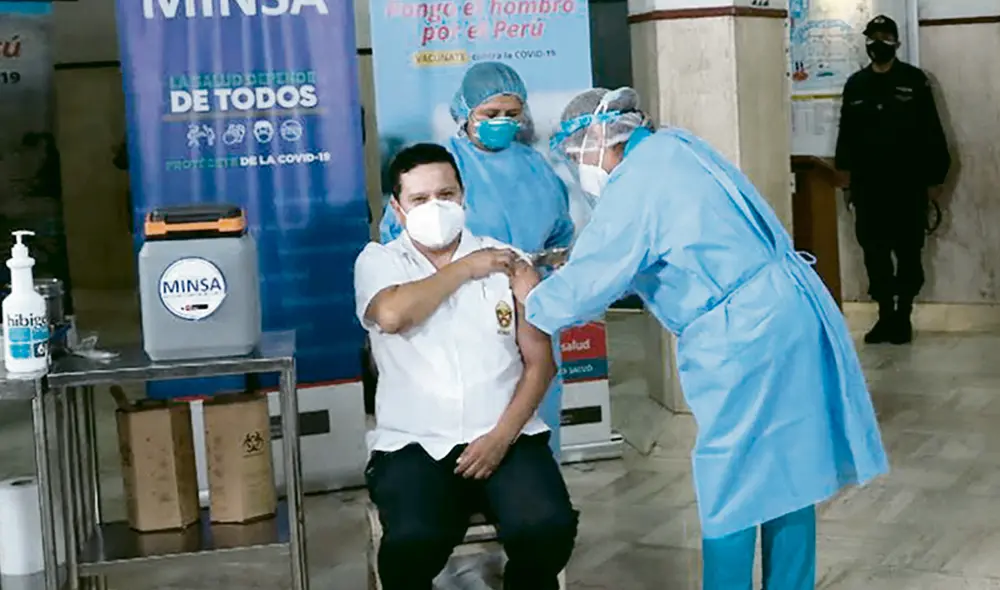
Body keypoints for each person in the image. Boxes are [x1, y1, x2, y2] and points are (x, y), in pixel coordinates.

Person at [509, 88, 888, 590]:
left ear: (600, 138)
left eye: (578, 153)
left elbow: (592, 279)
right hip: (784, 306)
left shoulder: (636, 183)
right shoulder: (675, 147)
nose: (580, 166)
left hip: (742, 332)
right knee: (789, 464)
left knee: (729, 476)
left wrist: (531, 298)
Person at [355, 143, 577, 590]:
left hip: (507, 436)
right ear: (397, 208)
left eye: (446, 194)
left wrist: (499, 438)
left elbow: (540, 363)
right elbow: (393, 315)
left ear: (463, 196)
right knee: (415, 540)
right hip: (414, 444)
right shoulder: (381, 261)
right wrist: (466, 269)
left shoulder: (508, 261)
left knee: (547, 527)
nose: (435, 208)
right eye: (420, 199)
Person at [378, 61, 576, 451]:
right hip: (461, 305)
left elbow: (561, 235)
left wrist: (542, 279)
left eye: (512, 114)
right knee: (470, 408)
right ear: (465, 112)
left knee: (534, 407)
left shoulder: (535, 166)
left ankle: (531, 473)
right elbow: (399, 236)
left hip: (527, 305)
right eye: (490, 114)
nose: (502, 122)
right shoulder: (443, 167)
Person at [835, 14, 951, 345]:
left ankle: (903, 315)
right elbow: (846, 136)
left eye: (884, 38)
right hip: (869, 187)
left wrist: (935, 178)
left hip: (907, 185)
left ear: (896, 43)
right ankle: (885, 315)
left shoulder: (913, 81)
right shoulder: (856, 85)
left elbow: (931, 131)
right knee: (874, 253)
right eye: (872, 38)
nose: (877, 44)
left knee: (908, 251)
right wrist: (846, 179)